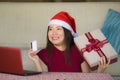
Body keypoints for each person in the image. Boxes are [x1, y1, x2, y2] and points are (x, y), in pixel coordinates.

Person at [28, 11, 110, 73]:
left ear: (67, 33)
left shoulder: (80, 51)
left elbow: (86, 78)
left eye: (58, 29)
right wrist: (36, 61)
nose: (53, 33)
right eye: (50, 29)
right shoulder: (42, 54)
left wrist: (100, 72)